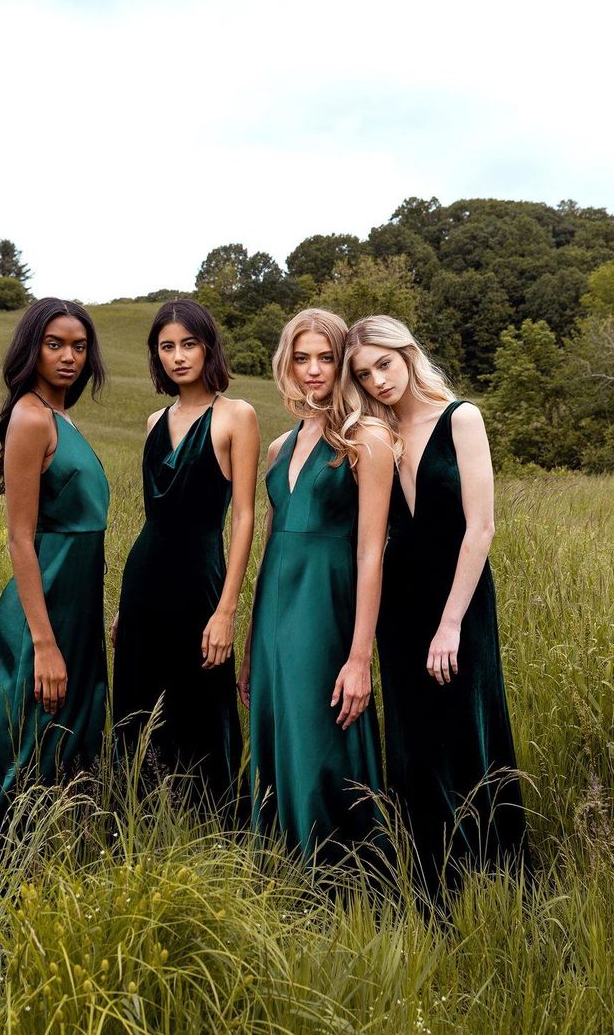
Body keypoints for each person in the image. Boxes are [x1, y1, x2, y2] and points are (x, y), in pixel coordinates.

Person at [342, 314, 528, 895]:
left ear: (408, 354)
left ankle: (493, 876)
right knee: (414, 743)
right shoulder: (378, 435)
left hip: (461, 603)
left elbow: (482, 528)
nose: (377, 381)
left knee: (467, 729)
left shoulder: (460, 417)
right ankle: (431, 884)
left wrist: (450, 625)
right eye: (365, 374)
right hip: (400, 605)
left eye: (384, 364)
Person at [239, 308, 393, 865]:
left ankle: (337, 874)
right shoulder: (281, 447)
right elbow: (271, 547)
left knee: (321, 731)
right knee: (277, 731)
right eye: (301, 358)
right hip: (275, 613)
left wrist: (359, 656)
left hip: (327, 610)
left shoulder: (367, 439)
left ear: (342, 364)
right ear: (286, 363)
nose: (313, 370)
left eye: (326, 358)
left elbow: (371, 551)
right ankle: (280, 867)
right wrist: (253, 645)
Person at [111, 299, 259, 811]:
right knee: (137, 699)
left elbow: (243, 517)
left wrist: (227, 608)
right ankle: (141, 815)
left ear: (208, 347)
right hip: (145, 578)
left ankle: (212, 824)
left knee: (201, 699)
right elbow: (155, 517)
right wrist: (123, 606)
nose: (178, 357)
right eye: (166, 347)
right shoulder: (154, 420)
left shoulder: (236, 415)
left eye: (188, 344)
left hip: (201, 580)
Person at [0, 297, 109, 850]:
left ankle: (52, 880)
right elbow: (20, 538)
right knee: (24, 756)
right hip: (43, 616)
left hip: (77, 613)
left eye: (79, 347)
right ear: (32, 347)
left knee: (67, 753)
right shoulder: (31, 416)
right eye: (55, 344)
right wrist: (44, 643)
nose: (68, 357)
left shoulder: (60, 416)